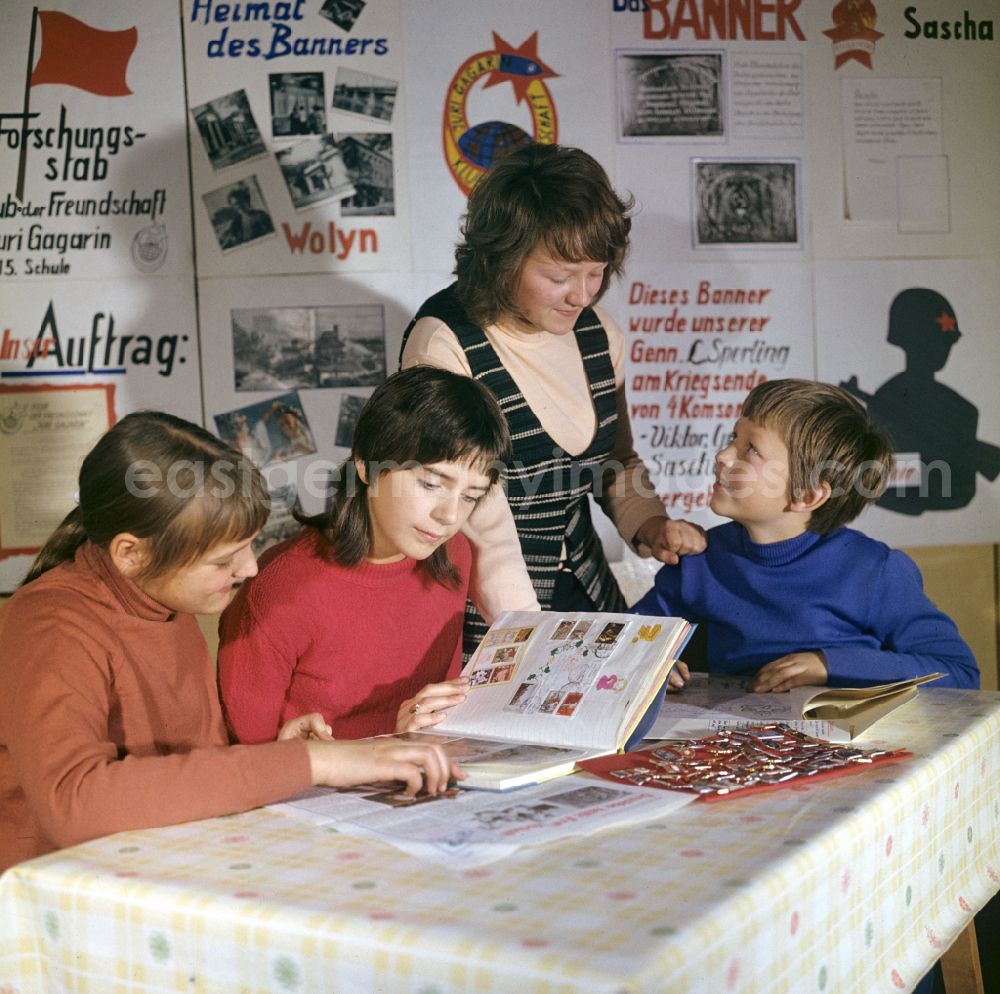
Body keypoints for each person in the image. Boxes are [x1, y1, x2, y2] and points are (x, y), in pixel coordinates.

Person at [0, 411, 461, 874]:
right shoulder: (48, 622)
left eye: (250, 546)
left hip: (160, 868)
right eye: (223, 561)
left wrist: (275, 756)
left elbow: (181, 773)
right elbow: (75, 801)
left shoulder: (167, 599)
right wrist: (305, 764)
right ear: (130, 553)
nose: (250, 569)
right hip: (61, 895)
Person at [401, 142, 706, 657]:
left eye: (596, 272)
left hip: (585, 586)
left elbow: (616, 458)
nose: (582, 295)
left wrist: (649, 525)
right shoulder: (444, 344)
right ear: (501, 259)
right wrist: (536, 645)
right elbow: (473, 516)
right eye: (559, 276)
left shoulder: (597, 334)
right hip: (479, 609)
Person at [217, 366, 513, 744]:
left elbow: (436, 715)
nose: (450, 516)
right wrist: (391, 731)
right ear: (365, 465)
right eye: (430, 484)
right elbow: (249, 757)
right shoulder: (280, 589)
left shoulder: (454, 555)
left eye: (470, 497)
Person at [632, 379, 979, 692]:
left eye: (751, 449)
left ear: (807, 495)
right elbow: (626, 640)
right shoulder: (700, 562)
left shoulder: (874, 570)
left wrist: (829, 665)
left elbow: (959, 672)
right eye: (732, 438)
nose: (722, 456)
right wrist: (648, 662)